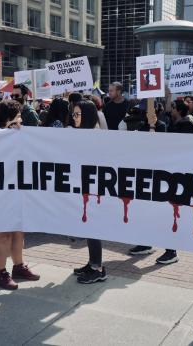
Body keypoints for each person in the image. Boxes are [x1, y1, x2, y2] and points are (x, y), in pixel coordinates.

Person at [129, 100, 193, 264]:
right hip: (145, 174)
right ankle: (146, 243)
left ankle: (171, 251)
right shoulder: (140, 125)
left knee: (163, 214)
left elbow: (156, 147)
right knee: (145, 211)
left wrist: (151, 127)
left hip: (160, 176)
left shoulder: (161, 126)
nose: (143, 114)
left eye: (146, 111)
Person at [0, 100, 40, 290]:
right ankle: (0, 273)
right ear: (5, 122)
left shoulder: (19, 136)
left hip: (17, 191)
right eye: (15, 122)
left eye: (20, 120)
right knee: (3, 234)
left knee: (18, 231)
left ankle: (19, 266)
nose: (20, 125)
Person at [72, 100, 108, 284]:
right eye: (74, 114)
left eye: (78, 115)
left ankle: (97, 269)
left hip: (93, 190)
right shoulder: (83, 134)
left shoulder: (94, 135)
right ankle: (93, 262)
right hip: (85, 187)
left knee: (93, 227)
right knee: (89, 227)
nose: (75, 118)